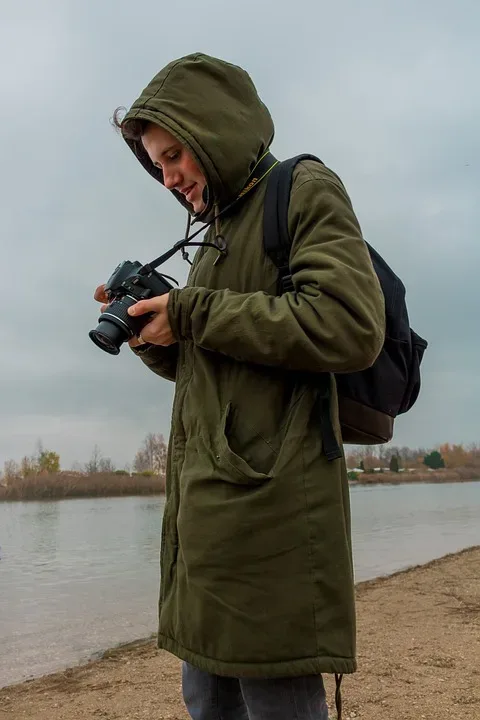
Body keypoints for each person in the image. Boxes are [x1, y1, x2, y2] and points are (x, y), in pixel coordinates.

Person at [95, 53, 385, 720]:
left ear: (214, 130)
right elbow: (217, 371)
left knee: (276, 703)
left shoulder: (303, 188)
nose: (168, 177)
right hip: (206, 531)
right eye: (156, 165)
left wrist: (191, 313)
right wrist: (156, 337)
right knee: (208, 700)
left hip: (271, 528)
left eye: (175, 156)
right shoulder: (217, 233)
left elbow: (347, 325)